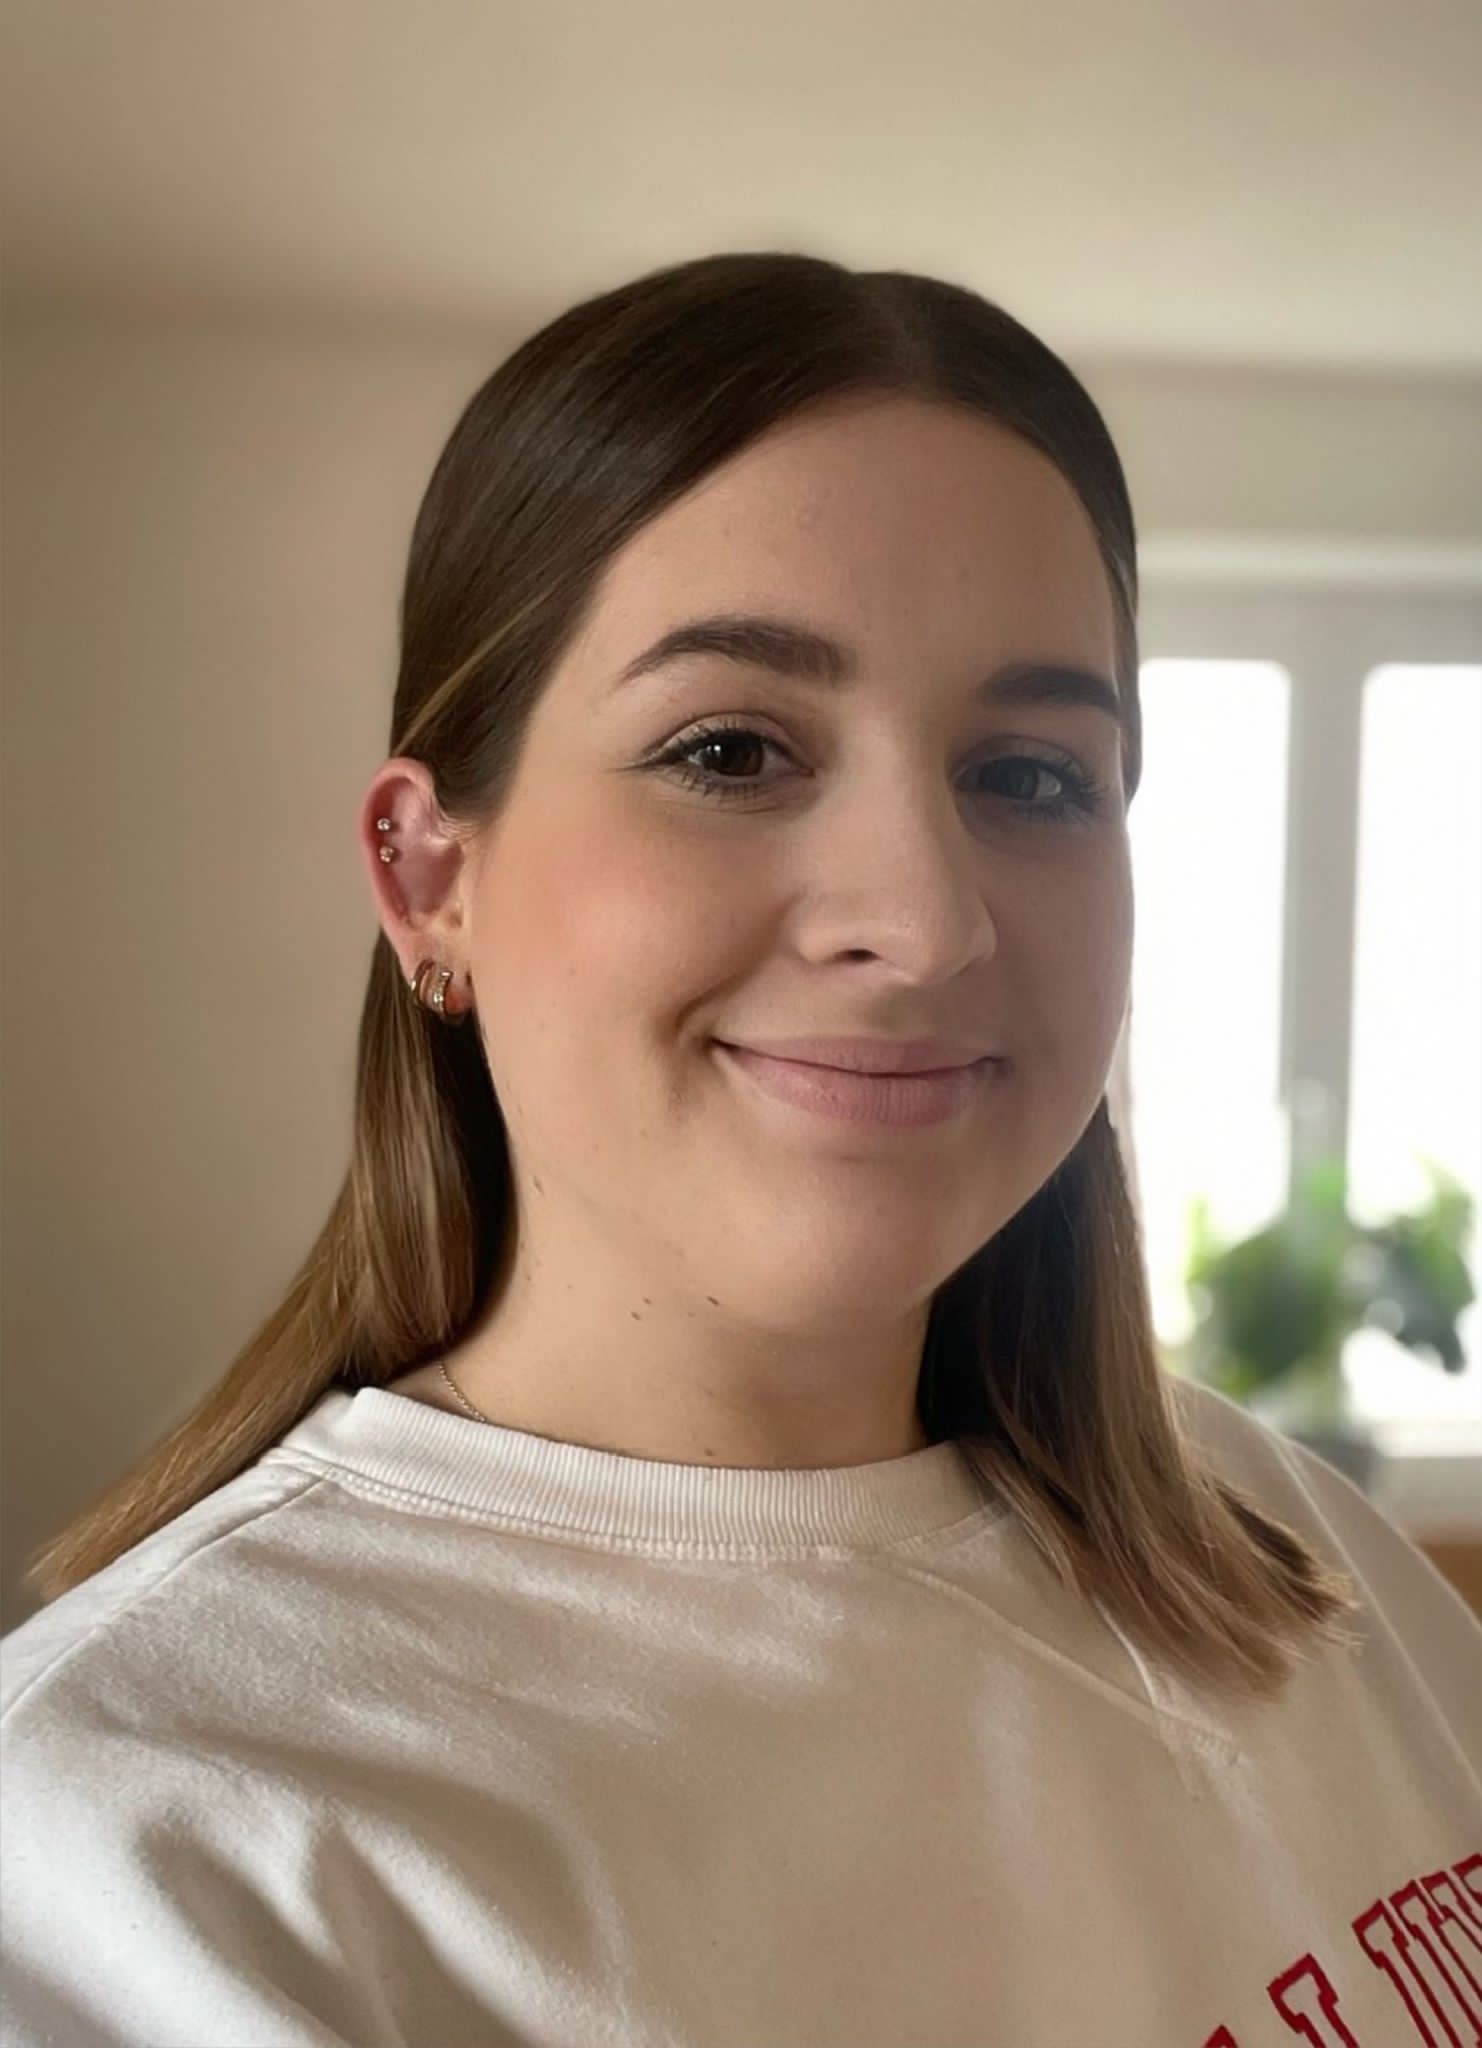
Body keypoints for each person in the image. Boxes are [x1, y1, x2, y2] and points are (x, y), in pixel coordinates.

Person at [3, 250, 1479, 2048]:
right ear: (428, 875)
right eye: (729, 750)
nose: (922, 923)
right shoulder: (136, 1856)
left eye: (1029, 775)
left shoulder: (1295, 1552)